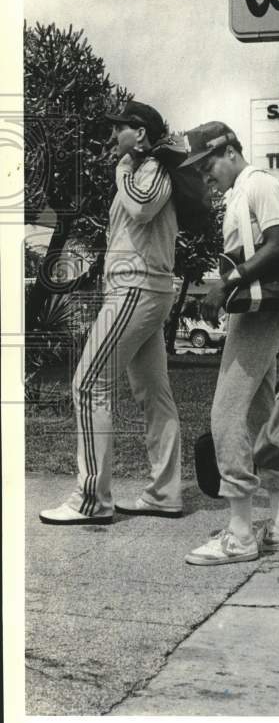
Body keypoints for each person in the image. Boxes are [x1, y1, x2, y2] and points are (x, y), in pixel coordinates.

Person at [40, 101, 183, 525]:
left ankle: (91, 500)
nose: (113, 133)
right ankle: (164, 493)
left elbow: (141, 206)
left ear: (140, 133)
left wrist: (122, 168)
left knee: (87, 384)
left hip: (135, 289)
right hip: (141, 289)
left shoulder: (151, 168)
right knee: (153, 393)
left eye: (120, 127)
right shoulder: (143, 168)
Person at [179, 122, 279, 566]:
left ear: (229, 151)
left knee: (225, 412)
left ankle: (240, 532)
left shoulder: (259, 183)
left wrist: (226, 282)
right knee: (261, 413)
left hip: (263, 313)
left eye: (207, 163)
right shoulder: (239, 192)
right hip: (255, 312)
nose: (204, 174)